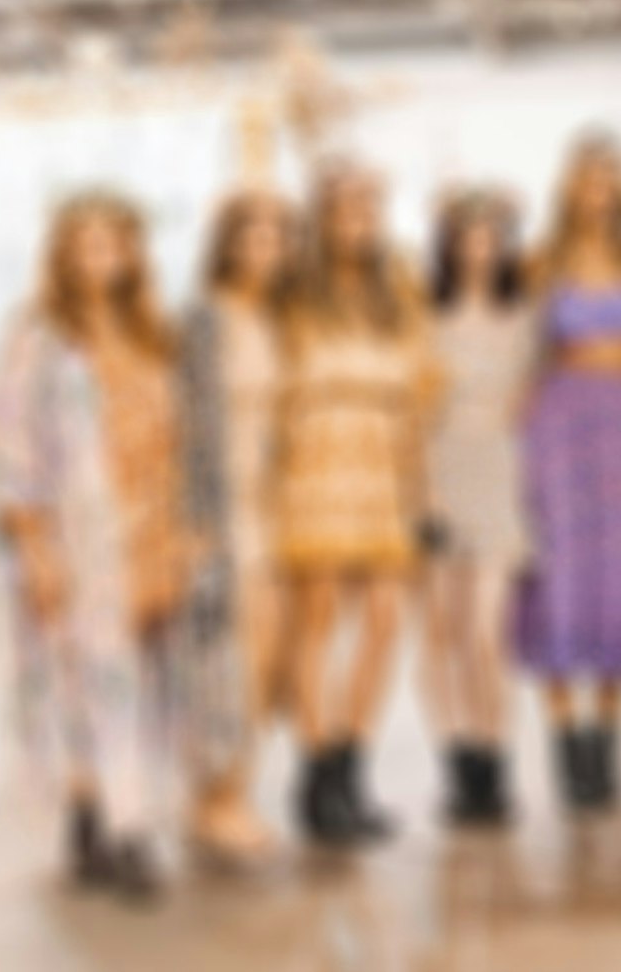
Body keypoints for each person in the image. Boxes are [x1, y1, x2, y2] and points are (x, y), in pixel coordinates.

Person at [0, 191, 182, 901]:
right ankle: (111, 825)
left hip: (148, 529)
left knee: (147, 682)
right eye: (87, 243)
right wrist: (37, 546)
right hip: (75, 534)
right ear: (65, 254)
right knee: (90, 678)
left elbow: (177, 433)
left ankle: (114, 815)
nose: (102, 257)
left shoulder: (148, 333)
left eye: (114, 242)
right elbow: (14, 447)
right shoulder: (39, 335)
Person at [267, 159, 435, 847]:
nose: (358, 220)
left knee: (388, 619)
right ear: (322, 216)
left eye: (369, 207)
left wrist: (419, 479)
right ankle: (316, 774)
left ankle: (349, 762)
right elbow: (272, 387)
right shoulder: (296, 294)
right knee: (318, 618)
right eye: (345, 207)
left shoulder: (397, 291)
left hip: (384, 465)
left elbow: (423, 384)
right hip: (316, 463)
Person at [516, 132, 621, 816]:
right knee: (557, 574)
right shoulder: (541, 262)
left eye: (610, 178)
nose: (598, 191)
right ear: (569, 187)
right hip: (559, 419)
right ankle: (564, 740)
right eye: (586, 178)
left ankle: (606, 737)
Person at [173, 189, 293, 864]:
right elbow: (184, 421)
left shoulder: (279, 320)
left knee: (267, 661)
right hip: (222, 510)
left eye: (278, 237)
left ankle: (234, 788)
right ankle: (214, 797)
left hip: (275, 510)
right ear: (230, 244)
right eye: (255, 236)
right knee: (223, 659)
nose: (267, 249)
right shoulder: (204, 320)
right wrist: (189, 520)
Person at [417, 186, 535, 828]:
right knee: (440, 633)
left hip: (497, 472)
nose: (479, 249)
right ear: (450, 244)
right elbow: (414, 408)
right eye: (468, 236)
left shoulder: (522, 318)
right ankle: (458, 760)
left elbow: (529, 400)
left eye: (492, 237)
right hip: (437, 469)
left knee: (486, 633)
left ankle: (495, 756)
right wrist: (421, 488)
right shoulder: (424, 316)